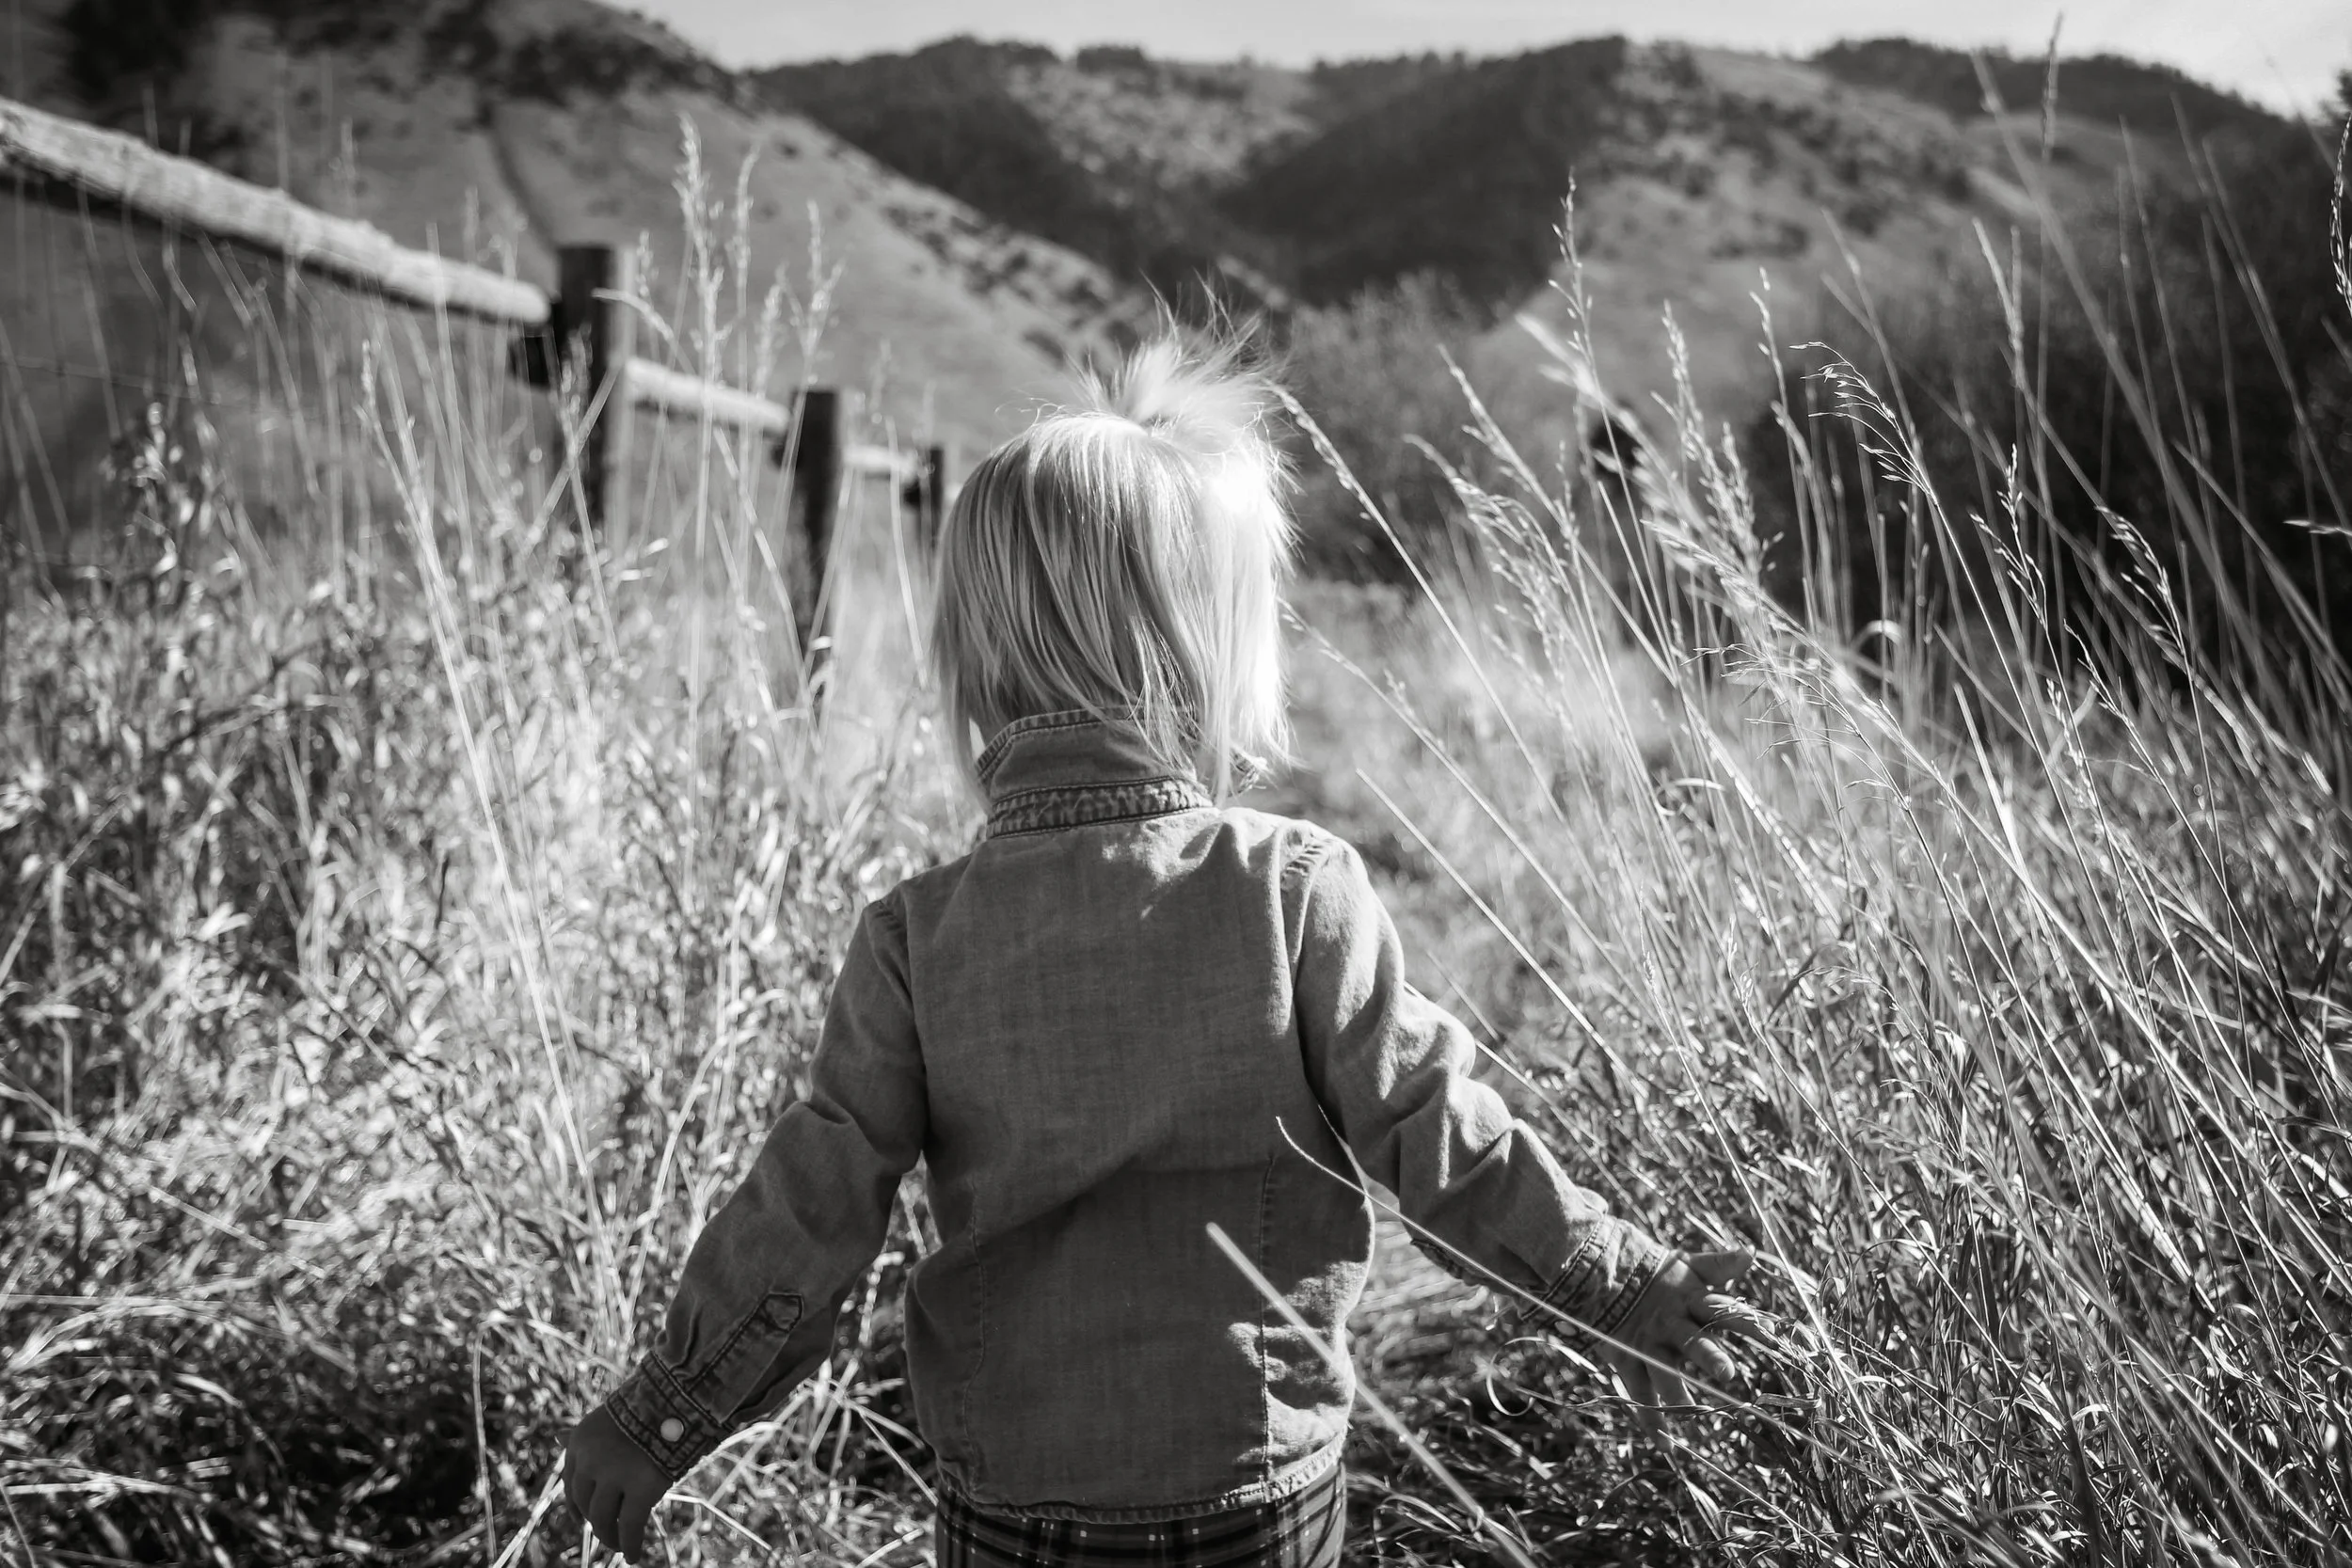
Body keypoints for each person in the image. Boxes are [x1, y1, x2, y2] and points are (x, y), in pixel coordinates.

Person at [562, 339, 1769, 1565]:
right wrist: (1622, 1286)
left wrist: (662, 1414)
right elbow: (1437, 1132)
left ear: (974, 654)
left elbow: (811, 1204)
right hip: (1257, 1494)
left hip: (1013, 1508)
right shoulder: (1292, 890)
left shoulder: (915, 940)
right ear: (1211, 647)